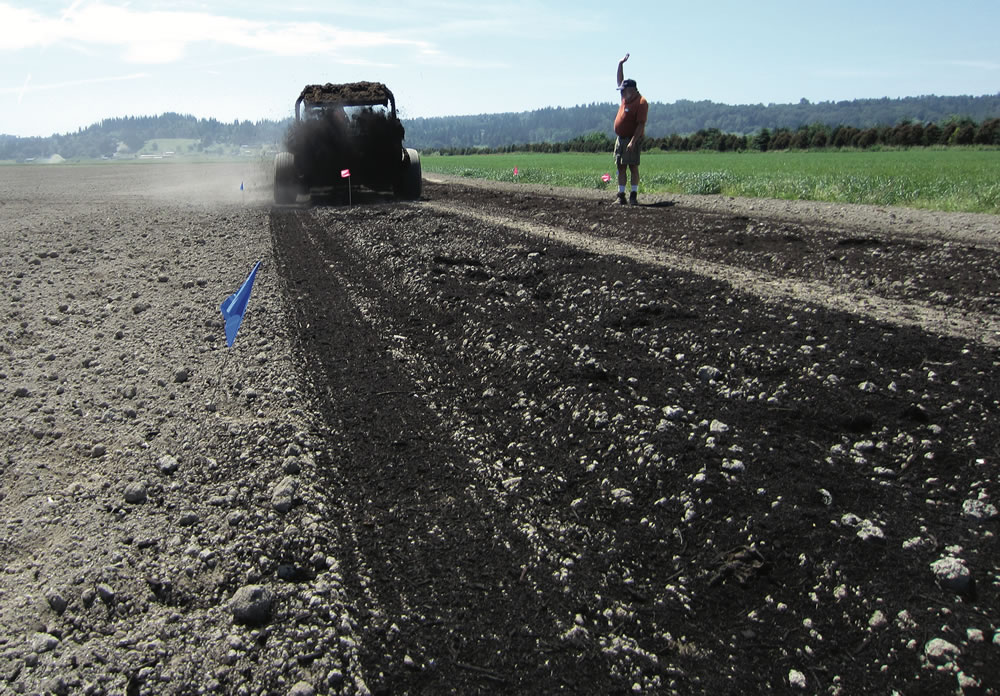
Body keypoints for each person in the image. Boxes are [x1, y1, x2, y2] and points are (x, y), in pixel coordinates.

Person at [614, 53, 648, 206]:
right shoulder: (625, 96)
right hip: (620, 138)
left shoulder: (641, 102)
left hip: (632, 138)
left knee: (633, 167)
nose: (621, 92)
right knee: (620, 166)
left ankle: (633, 195)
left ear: (632, 90)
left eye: (624, 90)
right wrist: (620, 64)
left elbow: (640, 124)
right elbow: (620, 80)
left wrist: (633, 142)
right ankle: (621, 196)